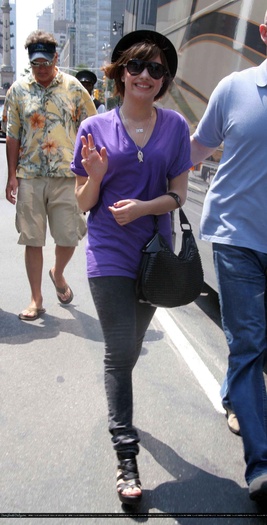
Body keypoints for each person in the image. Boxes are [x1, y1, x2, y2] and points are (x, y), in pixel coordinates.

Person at [71, 30, 191, 506]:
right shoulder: (94, 128)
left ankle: (120, 403)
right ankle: (126, 455)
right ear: (120, 72)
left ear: (164, 79)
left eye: (156, 69)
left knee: (130, 348)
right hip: (108, 252)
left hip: (155, 256)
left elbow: (179, 194)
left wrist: (144, 208)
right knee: (120, 349)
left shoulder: (176, 126)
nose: (145, 75)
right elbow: (84, 202)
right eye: (137, 66)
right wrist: (95, 177)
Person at [190, 11, 267, 506]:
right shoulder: (234, 88)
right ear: (265, 32)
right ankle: (261, 467)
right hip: (238, 238)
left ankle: (232, 392)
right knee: (248, 342)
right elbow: (194, 149)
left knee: (251, 342)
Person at [3, 30, 96, 321]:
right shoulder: (17, 90)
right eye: (35, 64)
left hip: (67, 175)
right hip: (29, 175)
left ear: (56, 58)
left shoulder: (74, 88)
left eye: (45, 62)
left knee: (69, 236)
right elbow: (13, 135)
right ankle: (36, 298)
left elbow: (92, 127)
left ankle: (58, 272)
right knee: (32, 238)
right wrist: (11, 176)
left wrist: (90, 171)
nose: (40, 68)